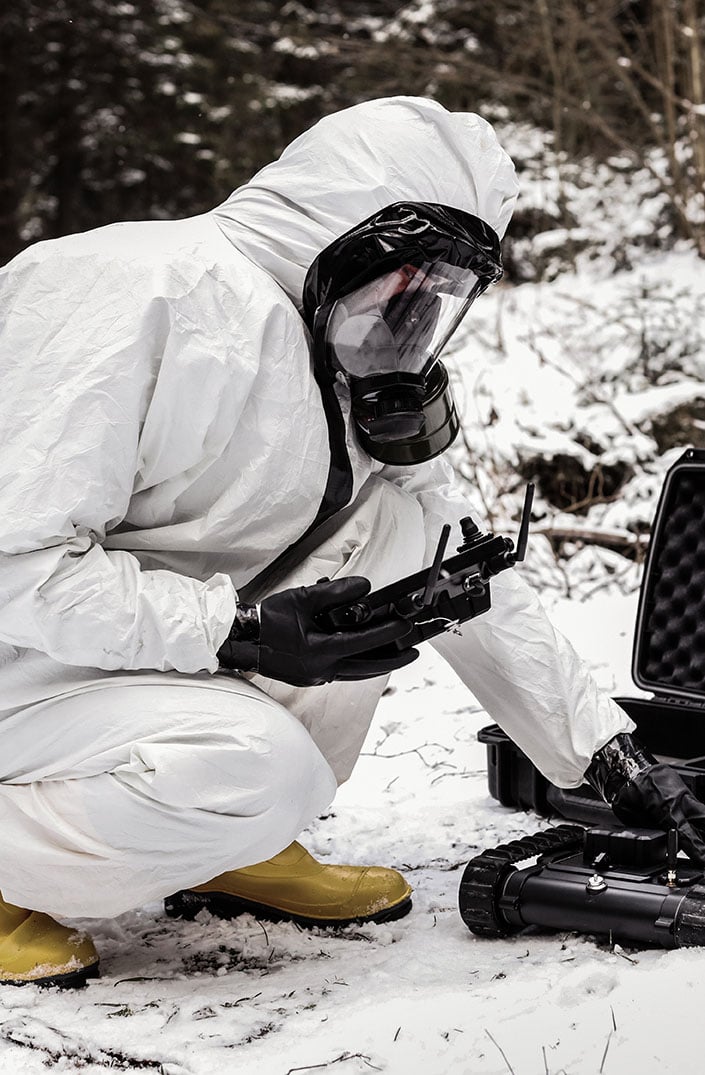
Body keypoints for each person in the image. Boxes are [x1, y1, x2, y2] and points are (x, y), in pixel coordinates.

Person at [1, 96, 704, 989]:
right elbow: (15, 565)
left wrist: (607, 754)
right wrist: (236, 630)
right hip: (19, 664)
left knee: (399, 540)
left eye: (443, 296)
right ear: (350, 234)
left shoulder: (338, 353)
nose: (417, 314)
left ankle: (216, 846)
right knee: (257, 771)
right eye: (413, 279)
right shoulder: (125, 287)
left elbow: (453, 564)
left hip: (103, 670)